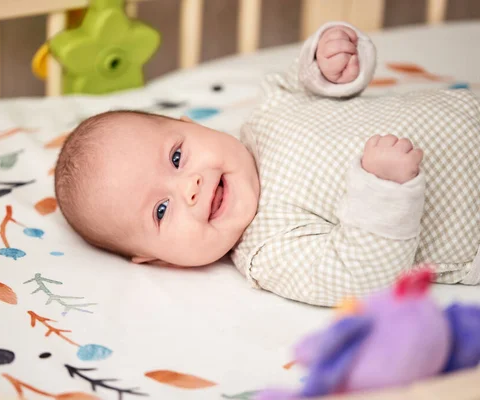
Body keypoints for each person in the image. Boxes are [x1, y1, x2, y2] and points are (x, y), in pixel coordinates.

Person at [55, 22, 480, 306]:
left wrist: (328, 65)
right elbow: (360, 276)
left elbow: (304, 81)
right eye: (161, 210)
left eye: (177, 157)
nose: (190, 187)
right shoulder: (269, 250)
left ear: (190, 123)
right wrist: (384, 192)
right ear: (158, 258)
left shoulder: (268, 111)